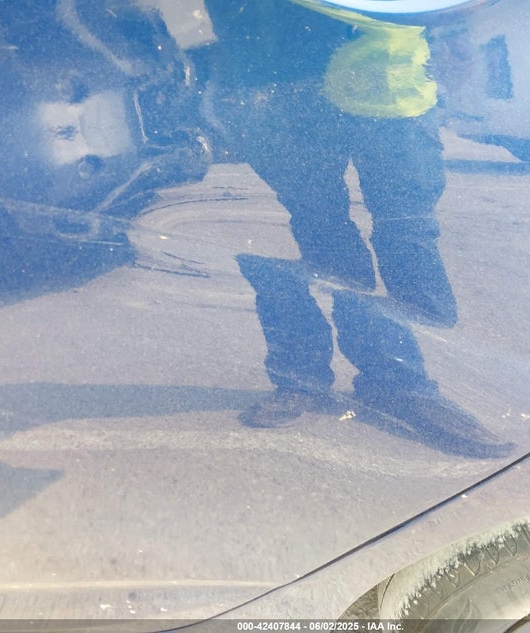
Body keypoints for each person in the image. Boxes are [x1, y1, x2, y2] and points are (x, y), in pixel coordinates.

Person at [204, 0, 512, 458]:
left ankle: (398, 383)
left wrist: (452, 31)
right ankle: (303, 376)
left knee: (406, 236)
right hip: (274, 71)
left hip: (388, 73)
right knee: (315, 232)